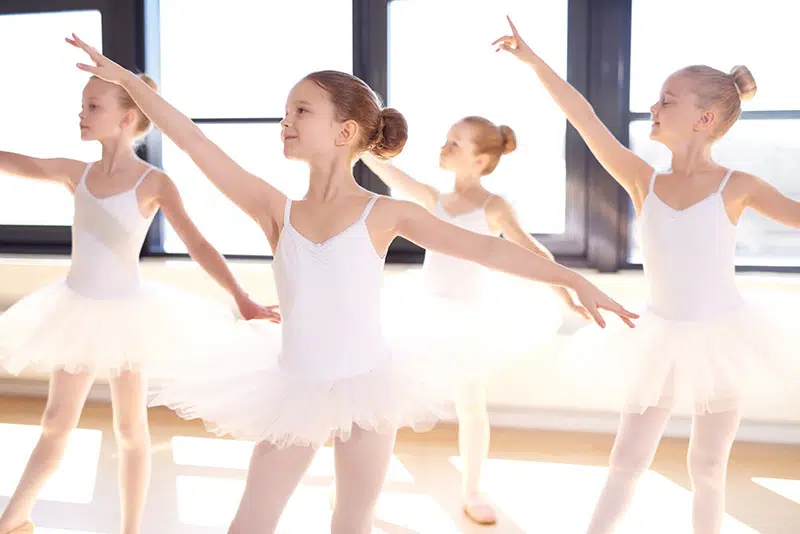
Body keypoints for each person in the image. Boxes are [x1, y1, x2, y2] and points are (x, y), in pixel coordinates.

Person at [67, 33, 637, 533]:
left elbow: (485, 248)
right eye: (285, 111)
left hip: (369, 385)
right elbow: (194, 141)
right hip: (295, 384)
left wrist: (569, 277)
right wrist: (125, 80)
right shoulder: (275, 210)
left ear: (344, 131)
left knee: (352, 521)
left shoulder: (383, 214)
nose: (286, 121)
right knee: (249, 524)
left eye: (301, 110)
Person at [494, 15, 800, 534]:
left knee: (707, 466)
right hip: (657, 335)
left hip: (723, 337)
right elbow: (583, 117)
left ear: (704, 118)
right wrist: (532, 60)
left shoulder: (738, 185)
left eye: (667, 100)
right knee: (627, 460)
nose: (653, 108)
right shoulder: (643, 180)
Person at [0, 73, 277, 534]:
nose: (82, 114)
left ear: (127, 118)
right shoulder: (76, 173)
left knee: (130, 429)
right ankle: (15, 518)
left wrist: (241, 296)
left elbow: (198, 245)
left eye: (93, 106)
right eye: (83, 105)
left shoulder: (154, 183)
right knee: (55, 421)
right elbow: (19, 163)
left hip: (128, 315)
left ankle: (131, 528)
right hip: (75, 310)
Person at [359, 118, 588, 524]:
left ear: (480, 160)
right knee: (389, 397)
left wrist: (566, 290)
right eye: (446, 140)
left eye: (455, 143)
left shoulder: (493, 207)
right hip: (425, 311)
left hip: (470, 318)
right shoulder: (433, 199)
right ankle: (360, 487)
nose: (444, 147)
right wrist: (360, 146)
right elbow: (392, 175)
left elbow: (532, 252)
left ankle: (472, 490)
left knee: (470, 404)